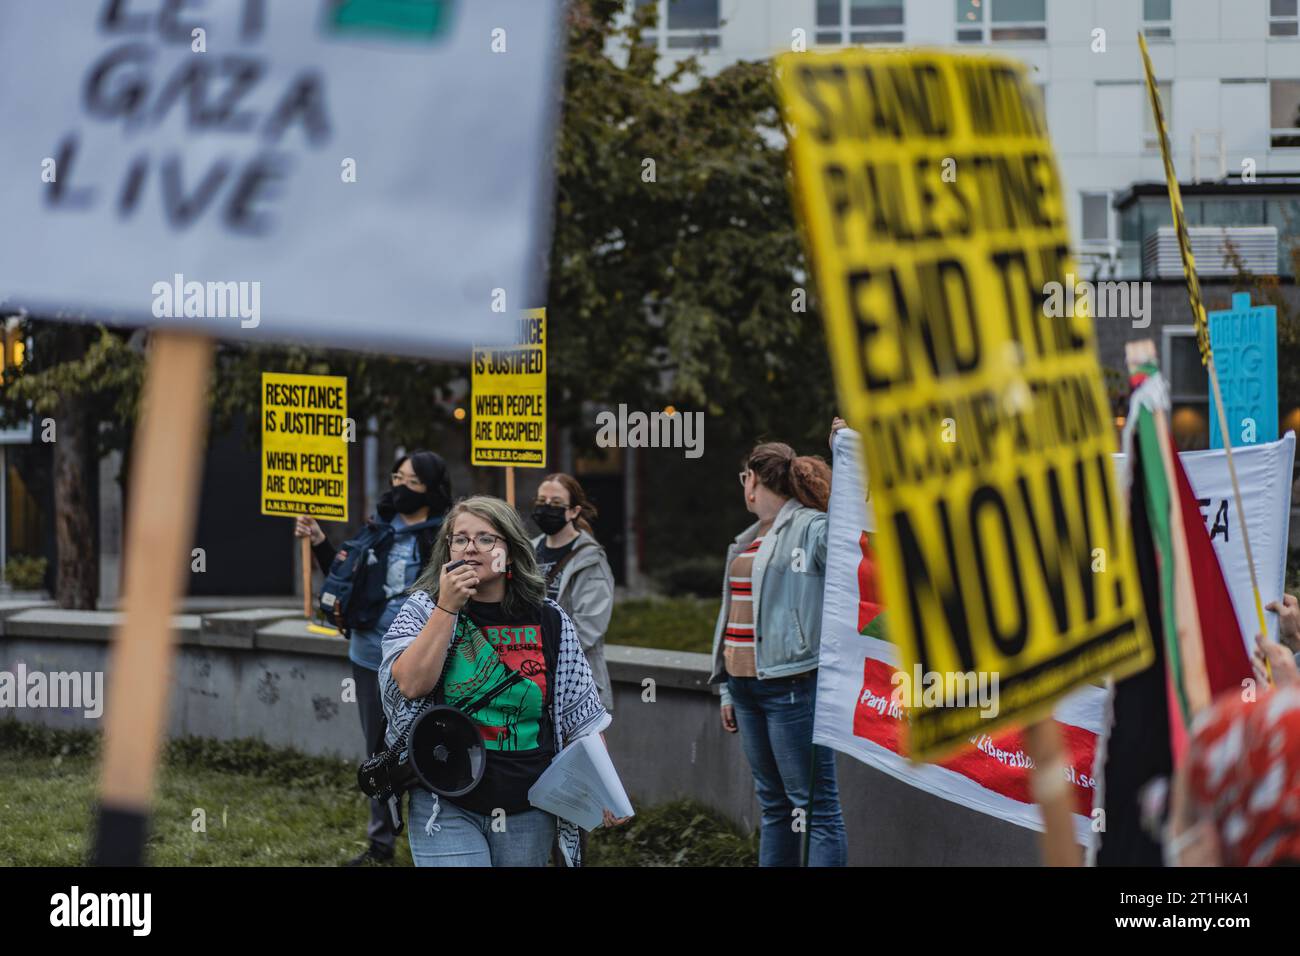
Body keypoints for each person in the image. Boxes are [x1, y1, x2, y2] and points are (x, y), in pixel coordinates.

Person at [379, 495, 623, 867]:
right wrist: (447, 608)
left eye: (485, 538)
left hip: (528, 804)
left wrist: (604, 789)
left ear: (509, 550)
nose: (471, 548)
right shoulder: (423, 609)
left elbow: (582, 718)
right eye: (460, 539)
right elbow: (410, 685)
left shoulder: (550, 620)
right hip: (444, 802)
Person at [296, 449, 451, 866]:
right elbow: (344, 581)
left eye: (412, 482)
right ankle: (381, 845)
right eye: (396, 477)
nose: (399, 487)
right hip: (368, 655)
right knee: (378, 750)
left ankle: (436, 838)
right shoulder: (377, 529)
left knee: (430, 747)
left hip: (426, 662)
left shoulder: (446, 537)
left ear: (432, 489)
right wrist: (319, 542)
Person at [708, 421, 849, 866]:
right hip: (747, 689)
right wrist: (728, 687)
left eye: (742, 479)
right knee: (777, 808)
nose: (741, 488)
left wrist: (846, 460)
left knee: (815, 808)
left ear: (753, 479)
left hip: (792, 688)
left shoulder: (810, 527)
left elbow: (849, 538)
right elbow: (733, 620)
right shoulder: (749, 540)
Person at [530, 473, 615, 712]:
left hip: (575, 683)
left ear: (574, 511)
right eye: (541, 501)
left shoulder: (591, 559)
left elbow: (589, 626)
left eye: (556, 503)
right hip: (532, 680)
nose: (546, 508)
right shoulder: (528, 551)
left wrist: (543, 653)